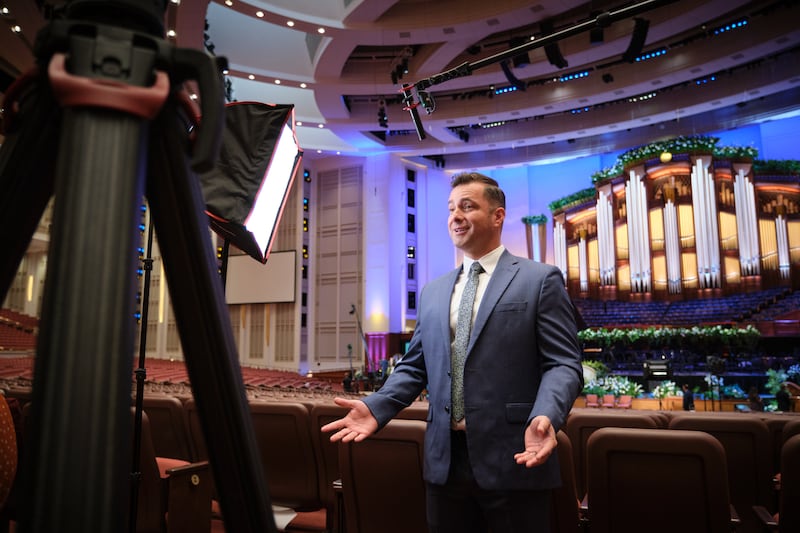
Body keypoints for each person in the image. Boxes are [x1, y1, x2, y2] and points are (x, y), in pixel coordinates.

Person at [322, 172, 584, 533]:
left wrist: (546, 414)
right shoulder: (432, 291)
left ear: (498, 216)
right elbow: (415, 368)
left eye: (467, 206)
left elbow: (564, 364)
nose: (455, 216)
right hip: (444, 465)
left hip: (515, 458)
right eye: (450, 209)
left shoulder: (539, 279)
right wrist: (377, 406)